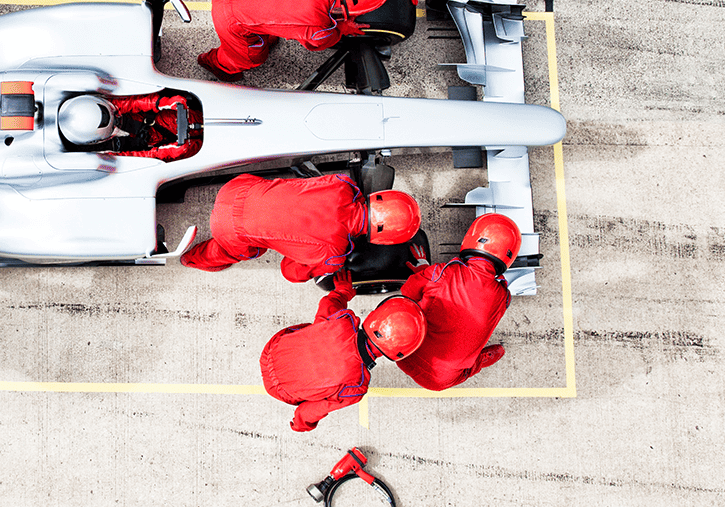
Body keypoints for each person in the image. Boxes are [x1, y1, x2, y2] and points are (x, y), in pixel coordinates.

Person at [259, 273, 426, 431]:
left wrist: (343, 291)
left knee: (320, 325)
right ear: (399, 353)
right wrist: (300, 424)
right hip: (280, 391)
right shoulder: (355, 387)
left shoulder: (343, 320)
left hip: (269, 353)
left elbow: (329, 304)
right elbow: (311, 410)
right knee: (321, 328)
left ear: (374, 316)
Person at [181, 172, 419, 282]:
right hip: (228, 230)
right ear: (382, 239)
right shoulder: (333, 254)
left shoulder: (342, 184)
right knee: (255, 248)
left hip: (236, 187)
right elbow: (289, 271)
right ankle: (190, 259)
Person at [195, 0, 390, 81]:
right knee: (251, 57)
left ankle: (261, 33)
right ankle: (213, 62)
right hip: (230, 15)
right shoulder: (321, 27)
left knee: (266, 31)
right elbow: (315, 44)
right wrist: (341, 28)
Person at [394, 213, 520, 390]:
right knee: (468, 362)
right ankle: (478, 362)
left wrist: (425, 272)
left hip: (404, 354)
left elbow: (407, 292)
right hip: (439, 382)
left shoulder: (441, 272)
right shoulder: (503, 297)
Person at [54, 91, 201, 161]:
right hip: (157, 145)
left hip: (161, 121)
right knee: (192, 150)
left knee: (189, 119)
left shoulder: (108, 106)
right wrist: (166, 152)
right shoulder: (106, 153)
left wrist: (163, 102)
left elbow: (133, 102)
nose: (116, 117)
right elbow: (137, 159)